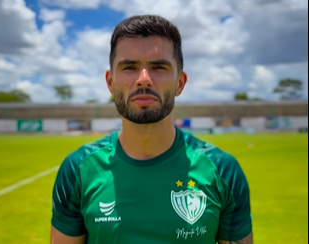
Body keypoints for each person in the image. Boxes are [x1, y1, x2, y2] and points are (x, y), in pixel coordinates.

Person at [50, 15, 253, 244]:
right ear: (110, 82)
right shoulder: (78, 169)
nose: (144, 79)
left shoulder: (223, 171)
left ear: (180, 83)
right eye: (129, 67)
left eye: (158, 67)